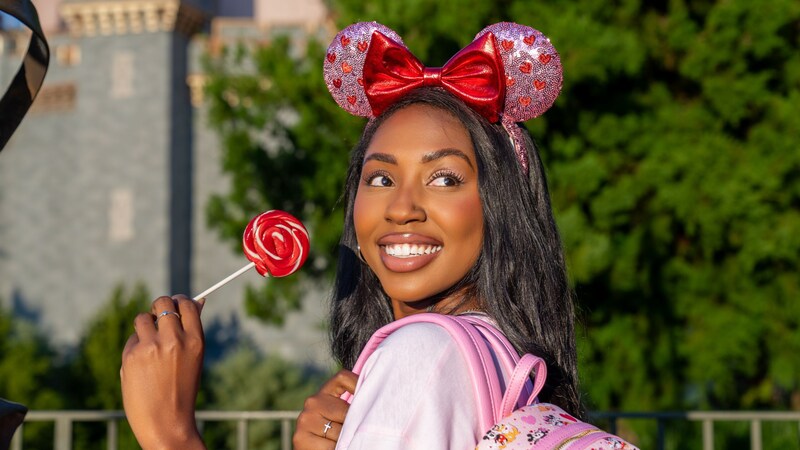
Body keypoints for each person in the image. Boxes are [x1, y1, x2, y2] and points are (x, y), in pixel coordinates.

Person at [121, 21, 582, 450]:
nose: (401, 208)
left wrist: (170, 433)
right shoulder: (500, 355)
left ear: (499, 207)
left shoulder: (422, 353)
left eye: (444, 178)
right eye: (380, 178)